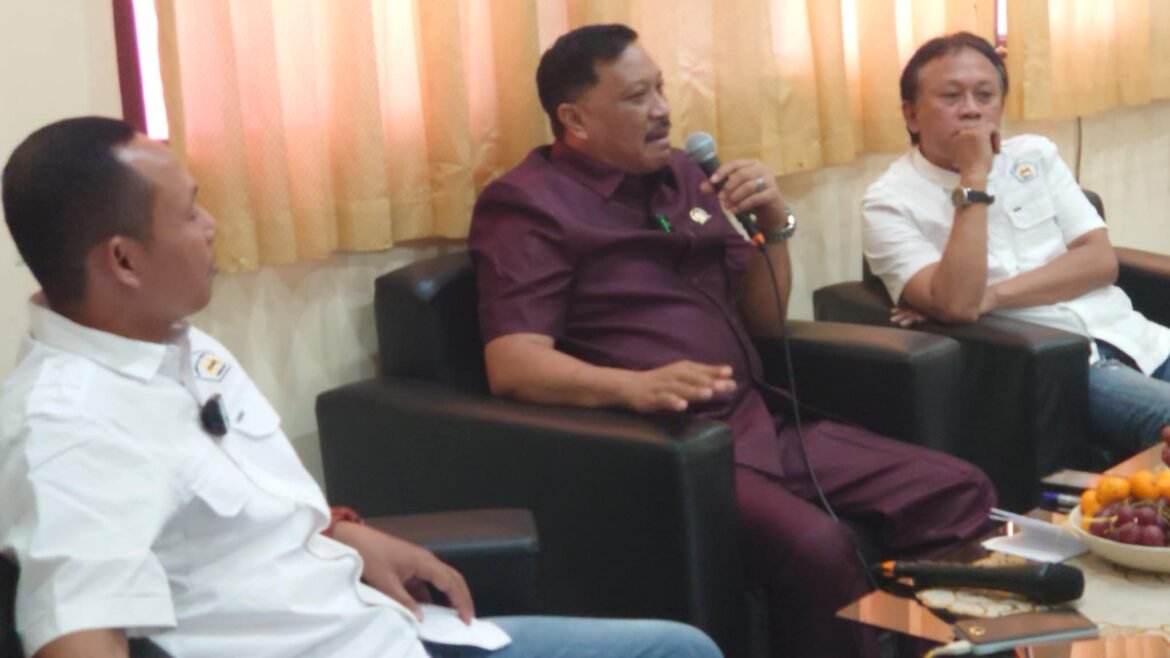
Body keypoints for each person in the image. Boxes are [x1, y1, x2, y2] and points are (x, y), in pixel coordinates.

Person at [0, 117, 723, 658]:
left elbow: (233, 505)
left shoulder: (178, 342)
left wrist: (344, 533)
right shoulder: (69, 430)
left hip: (380, 626)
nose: (211, 225)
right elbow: (76, 634)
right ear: (123, 260)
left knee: (677, 649)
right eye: (190, 212)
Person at [468, 24, 996, 658]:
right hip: (672, 449)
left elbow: (764, 321)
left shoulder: (684, 176)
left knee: (956, 490)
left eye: (661, 88)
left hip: (758, 422)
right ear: (574, 118)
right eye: (637, 97)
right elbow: (513, 364)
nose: (662, 110)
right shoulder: (527, 204)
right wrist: (635, 387)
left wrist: (774, 227)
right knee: (818, 546)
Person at [862, 32, 1170, 460]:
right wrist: (973, 178)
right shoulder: (889, 203)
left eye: (985, 95)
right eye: (951, 96)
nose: (972, 109)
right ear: (911, 115)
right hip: (1063, 367)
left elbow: (1100, 261)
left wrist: (990, 296)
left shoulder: (1035, 157)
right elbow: (957, 304)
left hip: (1135, 335)